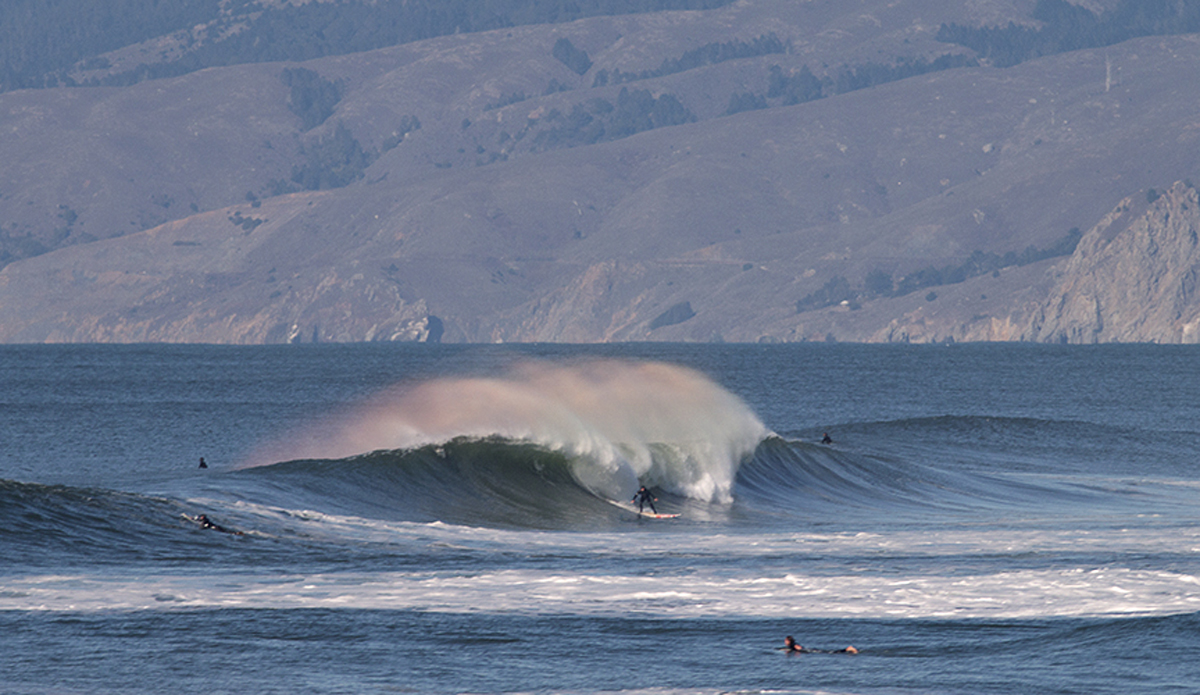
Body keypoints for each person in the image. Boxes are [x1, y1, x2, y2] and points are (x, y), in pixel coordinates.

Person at [782, 636, 857, 654]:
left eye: (786, 640)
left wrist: (798, 651)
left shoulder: (793, 644)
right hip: (809, 650)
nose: (785, 642)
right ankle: (847, 649)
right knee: (830, 652)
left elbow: (798, 647)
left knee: (830, 652)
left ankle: (847, 649)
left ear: (789, 641)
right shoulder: (791, 645)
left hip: (809, 651)